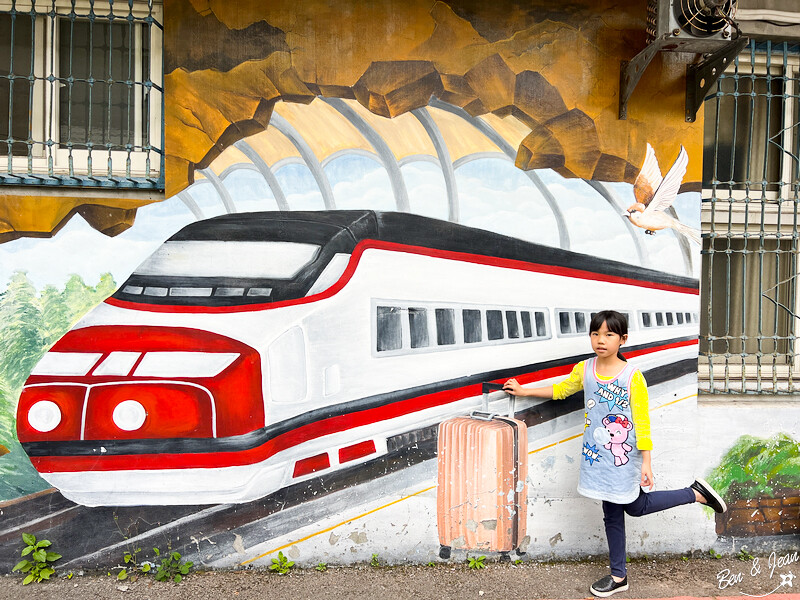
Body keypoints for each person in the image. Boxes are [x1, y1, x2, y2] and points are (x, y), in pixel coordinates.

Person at [503, 309, 726, 598]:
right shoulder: (585, 369)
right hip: (599, 457)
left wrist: (646, 461)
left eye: (608, 334)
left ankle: (694, 494)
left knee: (634, 506)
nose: (600, 340)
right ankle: (619, 576)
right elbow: (561, 390)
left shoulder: (632, 376)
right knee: (612, 512)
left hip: (625, 457)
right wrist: (524, 391)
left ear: (623, 339)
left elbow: (642, 422)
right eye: (596, 333)